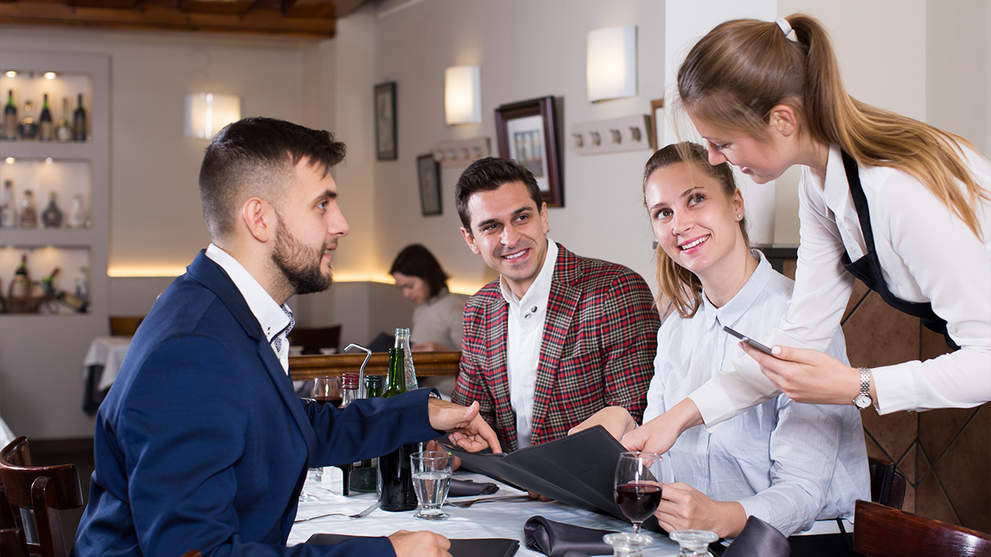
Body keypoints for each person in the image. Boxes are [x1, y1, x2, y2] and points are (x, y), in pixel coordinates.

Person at [71, 117, 500, 557]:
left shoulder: (226, 311)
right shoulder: (192, 350)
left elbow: (291, 427)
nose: (342, 225)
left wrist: (424, 413)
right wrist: (385, 554)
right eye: (322, 205)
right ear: (259, 218)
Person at [624, 14, 990, 457]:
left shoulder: (898, 189)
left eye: (723, 142)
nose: (716, 158)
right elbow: (798, 338)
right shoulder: (820, 185)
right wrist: (677, 417)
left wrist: (860, 385)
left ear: (782, 120)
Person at [576, 143, 868, 556]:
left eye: (695, 199)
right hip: (700, 545)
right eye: (663, 213)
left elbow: (803, 494)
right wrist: (621, 429)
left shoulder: (798, 321)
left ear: (736, 203)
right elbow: (664, 457)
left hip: (805, 544)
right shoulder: (677, 325)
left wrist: (718, 517)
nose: (679, 224)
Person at [450, 157, 660, 452]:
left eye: (521, 218)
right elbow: (470, 416)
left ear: (543, 216)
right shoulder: (478, 308)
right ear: (471, 239)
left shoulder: (615, 289)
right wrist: (460, 441)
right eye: (492, 227)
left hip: (591, 490)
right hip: (505, 491)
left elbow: (637, 415)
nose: (510, 238)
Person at [390, 244, 464, 353]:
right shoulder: (422, 306)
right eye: (402, 288)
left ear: (428, 277)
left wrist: (443, 353)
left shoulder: (455, 310)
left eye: (409, 286)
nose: (406, 294)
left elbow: (472, 361)